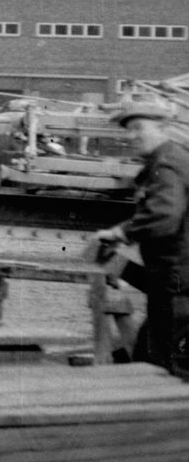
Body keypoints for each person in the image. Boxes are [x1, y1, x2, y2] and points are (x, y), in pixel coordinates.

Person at [89, 101, 189, 379]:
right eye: (128, 130)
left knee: (167, 368)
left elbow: (165, 215)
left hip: (177, 282)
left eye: (138, 128)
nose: (131, 136)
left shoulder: (166, 164)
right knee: (152, 355)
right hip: (175, 279)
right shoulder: (173, 159)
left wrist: (121, 233)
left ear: (163, 128)